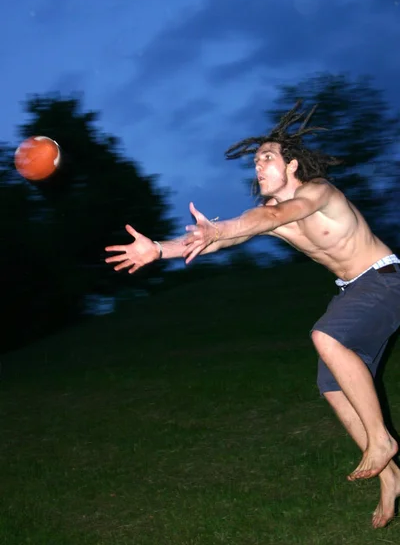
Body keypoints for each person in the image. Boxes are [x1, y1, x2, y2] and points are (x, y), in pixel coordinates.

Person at [105, 101, 400, 529]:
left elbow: (277, 213)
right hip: (355, 289)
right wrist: (159, 250)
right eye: (255, 160)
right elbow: (223, 238)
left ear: (292, 166)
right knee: (331, 382)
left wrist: (222, 228)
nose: (258, 166)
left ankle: (381, 441)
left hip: (386, 278)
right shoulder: (269, 218)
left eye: (267, 158)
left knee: (327, 337)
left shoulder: (317, 192)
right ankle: (390, 478)